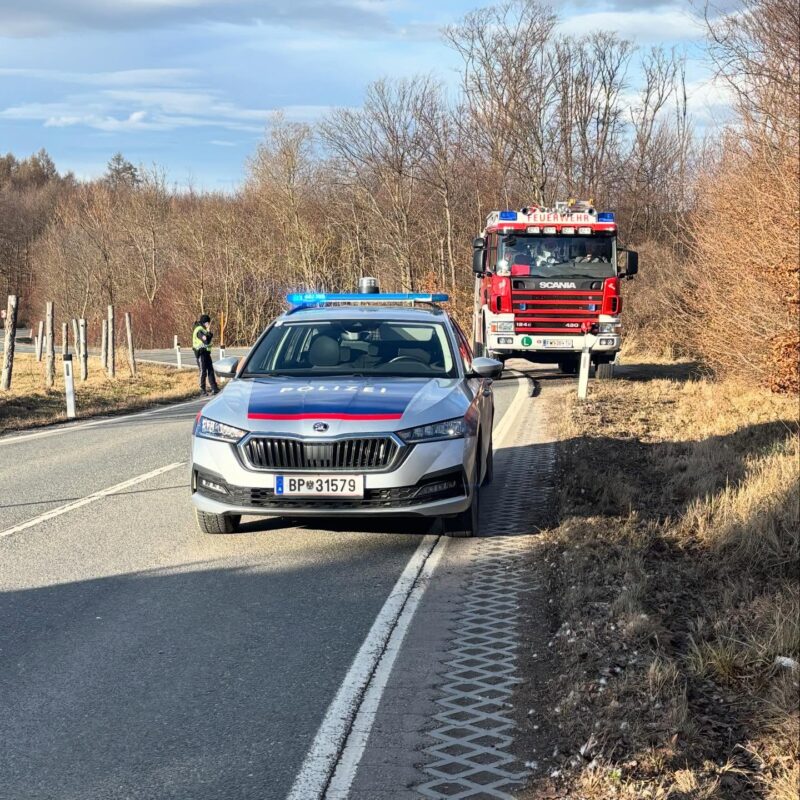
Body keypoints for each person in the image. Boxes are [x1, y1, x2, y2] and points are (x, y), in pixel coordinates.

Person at [192, 314, 219, 395]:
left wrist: (209, 333)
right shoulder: (199, 330)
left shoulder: (203, 329)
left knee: (210, 370)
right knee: (203, 371)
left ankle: (214, 388)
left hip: (206, 352)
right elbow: (206, 340)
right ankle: (202, 389)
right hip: (200, 353)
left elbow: (208, 339)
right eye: (208, 323)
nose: (209, 324)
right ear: (206, 322)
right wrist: (209, 333)